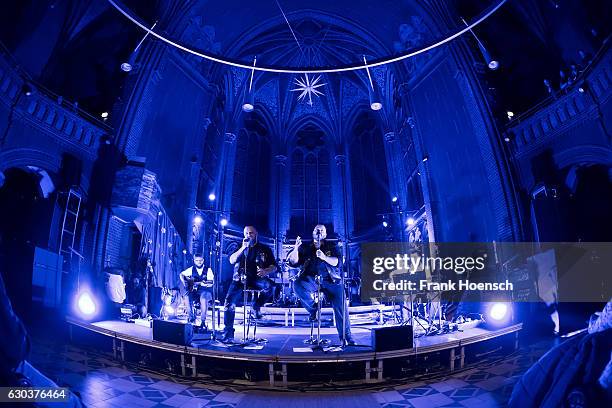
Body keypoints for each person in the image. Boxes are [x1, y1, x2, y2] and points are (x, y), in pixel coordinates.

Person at [288, 224, 355, 345]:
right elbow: (293, 262)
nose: (319, 232)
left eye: (322, 231)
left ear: (325, 234)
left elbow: (337, 263)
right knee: (297, 285)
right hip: (311, 279)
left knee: (341, 304)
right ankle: (314, 309)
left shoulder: (333, 246)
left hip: (331, 280)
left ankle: (346, 337)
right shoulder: (305, 247)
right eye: (317, 230)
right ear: (313, 232)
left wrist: (324, 257)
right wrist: (295, 249)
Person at [222, 226, 276, 342]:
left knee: (270, 287)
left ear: (256, 234)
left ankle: (256, 306)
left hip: (257, 278)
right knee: (229, 304)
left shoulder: (264, 248)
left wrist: (265, 271)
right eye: (246, 233)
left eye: (251, 233)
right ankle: (228, 335)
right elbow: (231, 260)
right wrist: (243, 248)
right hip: (239, 279)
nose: (248, 235)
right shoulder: (237, 246)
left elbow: (273, 266)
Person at [179, 253, 214, 330]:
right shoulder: (191, 269)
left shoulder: (208, 270)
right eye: (197, 260)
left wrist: (204, 283)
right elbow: (181, 274)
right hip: (195, 291)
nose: (199, 262)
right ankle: (191, 319)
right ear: (194, 261)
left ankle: (203, 321)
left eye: (200, 260)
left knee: (203, 298)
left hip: (205, 291)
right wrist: (184, 282)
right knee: (186, 296)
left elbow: (211, 283)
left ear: (203, 260)